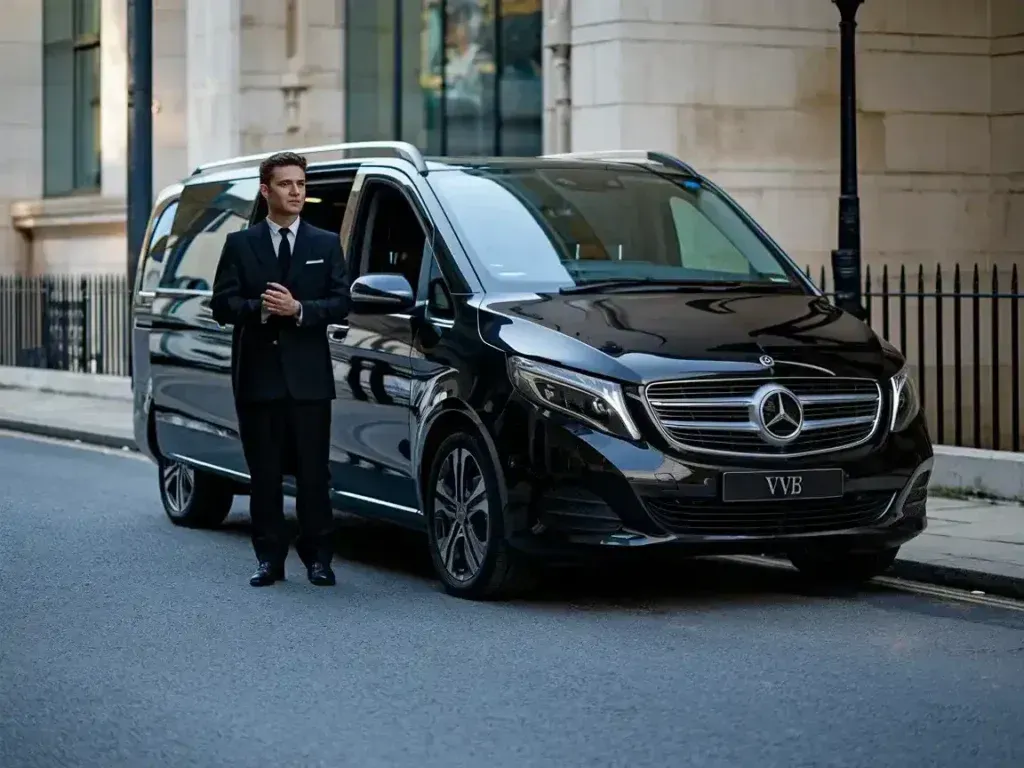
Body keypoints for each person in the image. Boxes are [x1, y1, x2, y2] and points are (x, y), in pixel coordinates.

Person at [211, 151, 351, 587]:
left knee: (313, 474)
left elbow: (342, 301)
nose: (296, 191)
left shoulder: (324, 243)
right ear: (265, 190)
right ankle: (269, 559)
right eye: (286, 184)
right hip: (259, 379)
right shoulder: (240, 244)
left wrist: (300, 310)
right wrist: (263, 312)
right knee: (265, 476)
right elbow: (222, 305)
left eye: (301, 184)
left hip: (309, 381)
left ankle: (318, 558)